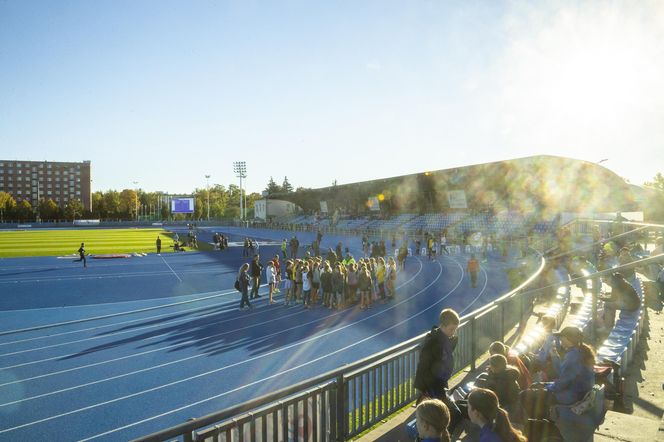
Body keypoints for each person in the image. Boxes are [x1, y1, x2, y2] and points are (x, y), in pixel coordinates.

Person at [414, 309, 461, 428]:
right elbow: (423, 368)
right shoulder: (432, 342)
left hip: (440, 384)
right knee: (453, 415)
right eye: (451, 329)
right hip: (432, 387)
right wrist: (426, 391)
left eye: (455, 329)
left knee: (444, 417)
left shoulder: (444, 339)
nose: (453, 332)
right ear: (443, 326)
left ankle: (440, 436)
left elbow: (444, 359)